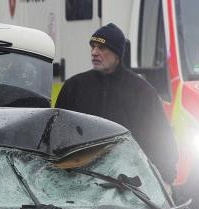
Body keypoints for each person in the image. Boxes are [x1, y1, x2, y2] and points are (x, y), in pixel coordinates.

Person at [55, 23, 178, 186]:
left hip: (130, 185)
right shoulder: (74, 87)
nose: (94, 53)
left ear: (117, 54)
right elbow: (56, 136)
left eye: (101, 48)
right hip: (80, 183)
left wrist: (166, 178)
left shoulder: (142, 92)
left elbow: (161, 138)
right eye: (92, 47)